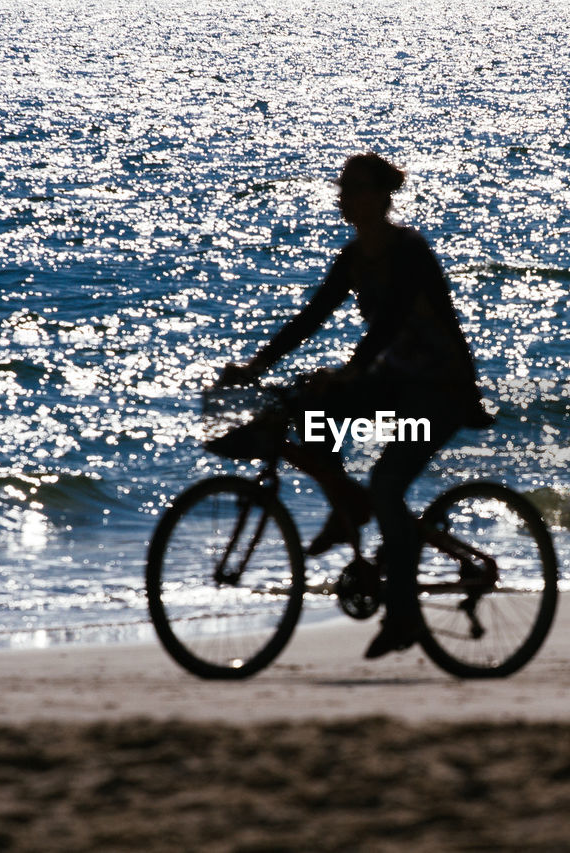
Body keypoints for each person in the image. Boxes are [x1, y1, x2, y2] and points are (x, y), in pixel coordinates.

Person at [212, 153, 490, 659]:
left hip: (440, 390)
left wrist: (352, 370)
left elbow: (391, 323)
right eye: (343, 188)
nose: (346, 196)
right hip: (396, 383)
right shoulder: (354, 258)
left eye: (357, 188)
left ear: (383, 197)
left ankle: (403, 616)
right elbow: (310, 318)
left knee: (387, 484)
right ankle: (346, 506)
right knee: (307, 411)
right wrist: (252, 368)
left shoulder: (409, 251)